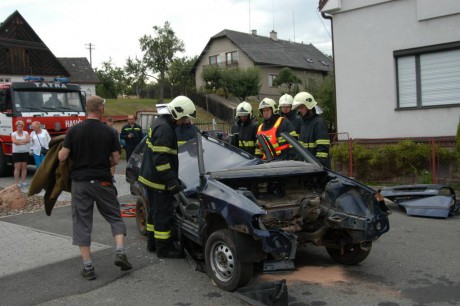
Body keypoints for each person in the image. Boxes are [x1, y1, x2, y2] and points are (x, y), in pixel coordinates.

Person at [58, 95, 132, 280]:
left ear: (87, 109)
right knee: (115, 216)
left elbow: (62, 157)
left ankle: (88, 266)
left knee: (82, 222)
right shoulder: (109, 131)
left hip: (80, 183)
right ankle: (120, 251)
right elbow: (116, 159)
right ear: (101, 109)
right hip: (103, 181)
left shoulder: (74, 130)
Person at [138, 95, 196, 258]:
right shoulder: (165, 129)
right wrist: (172, 183)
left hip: (151, 178)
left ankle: (153, 244)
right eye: (184, 117)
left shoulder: (161, 122)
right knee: (163, 215)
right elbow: (161, 161)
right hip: (158, 182)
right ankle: (165, 249)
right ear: (177, 113)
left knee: (154, 213)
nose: (185, 122)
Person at [292, 92, 331, 168]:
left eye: (301, 107)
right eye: (298, 108)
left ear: (309, 107)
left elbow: (322, 149)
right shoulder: (304, 123)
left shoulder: (318, 123)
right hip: (308, 168)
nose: (299, 110)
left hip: (318, 170)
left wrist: (318, 166)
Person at [11, 120, 30, 188]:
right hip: (16, 152)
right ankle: (17, 183)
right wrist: (23, 142)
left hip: (25, 152)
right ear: (16, 127)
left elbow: (28, 140)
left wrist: (19, 141)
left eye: (21, 127)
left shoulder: (26, 132)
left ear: (23, 127)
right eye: (19, 127)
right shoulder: (13, 134)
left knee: (24, 167)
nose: (20, 128)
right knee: (17, 167)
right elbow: (14, 141)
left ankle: (23, 182)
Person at [106, 117, 119, 181]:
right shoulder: (104, 130)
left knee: (114, 161)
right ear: (106, 122)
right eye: (109, 122)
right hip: (106, 147)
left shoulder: (114, 130)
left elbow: (117, 140)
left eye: (111, 122)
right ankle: (107, 173)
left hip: (113, 147)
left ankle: (112, 175)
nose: (110, 124)